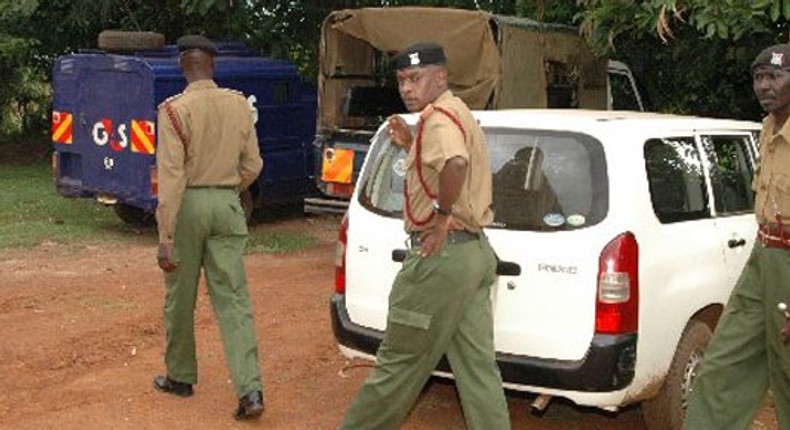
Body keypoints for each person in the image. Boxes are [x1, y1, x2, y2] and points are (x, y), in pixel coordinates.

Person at [338, 42, 511, 430]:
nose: (407, 89)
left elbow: (456, 162)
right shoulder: (458, 111)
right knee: (478, 370)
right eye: (401, 80)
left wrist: (441, 217)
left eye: (415, 78)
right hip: (472, 254)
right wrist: (410, 144)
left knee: (397, 364)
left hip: (441, 257)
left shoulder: (438, 120)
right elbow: (442, 163)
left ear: (440, 76)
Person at [152, 34, 265, 421]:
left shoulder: (172, 111)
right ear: (212, 66)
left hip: (187, 206)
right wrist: (231, 190)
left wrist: (166, 236)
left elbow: (170, 178)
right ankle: (250, 390)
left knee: (180, 298)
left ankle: (180, 377)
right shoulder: (238, 104)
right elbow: (254, 165)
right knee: (233, 300)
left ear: (183, 67)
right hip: (227, 201)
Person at [683, 43, 790, 429]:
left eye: (775, 76)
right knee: (725, 361)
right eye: (759, 78)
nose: (765, 86)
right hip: (764, 254)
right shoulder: (766, 127)